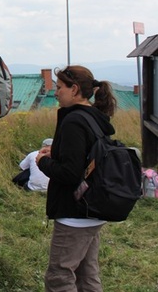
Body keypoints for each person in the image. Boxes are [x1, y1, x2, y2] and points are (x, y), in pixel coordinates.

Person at [36, 65, 117, 291]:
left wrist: (43, 162)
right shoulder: (95, 117)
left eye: (60, 87)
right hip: (93, 209)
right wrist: (57, 152)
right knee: (86, 275)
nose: (55, 92)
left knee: (59, 276)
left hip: (74, 213)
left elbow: (70, 174)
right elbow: (86, 156)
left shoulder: (74, 121)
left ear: (74, 90)